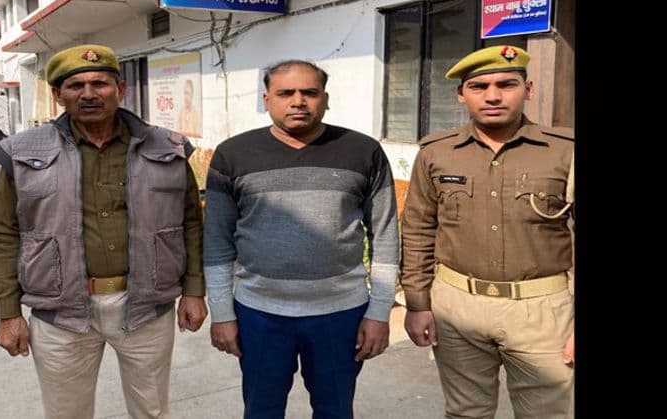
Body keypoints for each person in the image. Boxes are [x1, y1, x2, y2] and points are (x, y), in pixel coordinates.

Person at [0, 44, 208, 419]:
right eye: (76, 85)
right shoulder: (23, 153)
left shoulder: (167, 148)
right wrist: (8, 312)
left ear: (120, 89)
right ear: (58, 95)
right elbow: (4, 232)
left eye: (100, 83)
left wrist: (194, 290)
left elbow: (190, 223)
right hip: (60, 313)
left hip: (146, 308)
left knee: (153, 411)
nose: (88, 94)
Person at [203, 60, 399, 419]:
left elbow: (385, 235)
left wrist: (379, 312)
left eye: (309, 92)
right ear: (266, 99)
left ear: (326, 98)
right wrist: (221, 314)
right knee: (261, 410)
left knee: (335, 409)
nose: (298, 101)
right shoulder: (233, 154)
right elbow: (217, 242)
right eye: (285, 93)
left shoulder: (362, 151)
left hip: (340, 314)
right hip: (259, 314)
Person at [400, 45, 574, 418]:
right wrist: (417, 303)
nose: (493, 96)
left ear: (528, 90)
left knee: (548, 413)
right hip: (457, 305)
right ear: (460, 95)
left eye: (506, 84)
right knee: (466, 412)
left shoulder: (564, 151)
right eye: (478, 86)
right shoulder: (436, 153)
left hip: (543, 309)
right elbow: (418, 229)